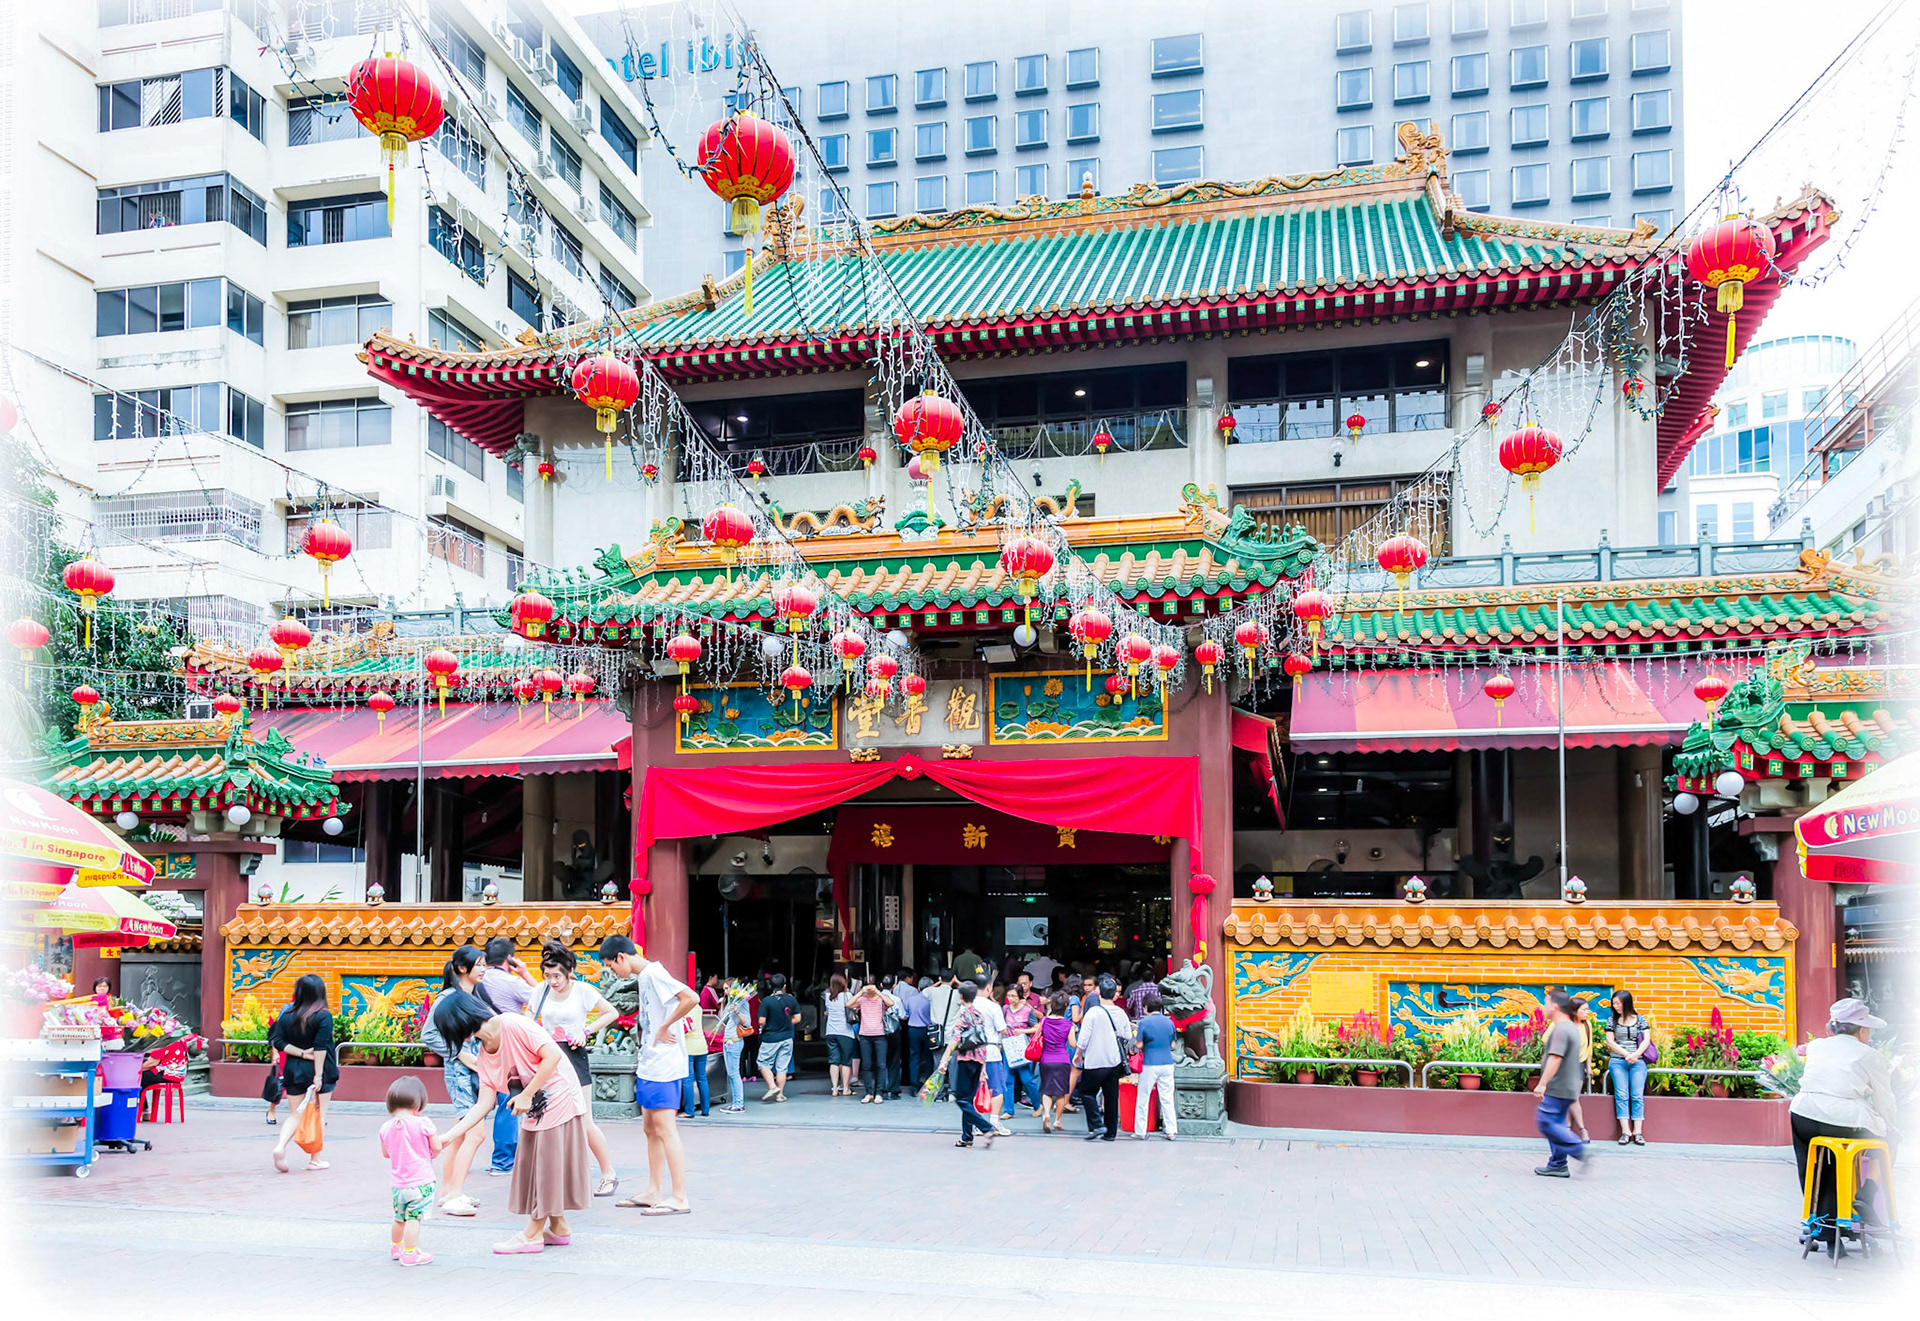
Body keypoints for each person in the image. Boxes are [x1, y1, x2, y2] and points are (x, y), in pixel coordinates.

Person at [431, 990, 590, 1253]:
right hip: (534, 1107)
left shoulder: (513, 1024)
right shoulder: (484, 1054)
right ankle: (559, 1227)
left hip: (559, 1096)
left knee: (545, 1169)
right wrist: (450, 1136)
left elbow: (553, 1056)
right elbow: (483, 1104)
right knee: (539, 1166)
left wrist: (527, 1094)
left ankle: (532, 1234)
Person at [597, 935, 698, 1216]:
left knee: (665, 1129)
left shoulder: (654, 973)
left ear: (621, 957)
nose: (613, 973)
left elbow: (691, 997)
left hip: (664, 1064)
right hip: (650, 1062)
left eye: (611, 966)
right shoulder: (644, 977)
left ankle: (679, 1196)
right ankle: (654, 1190)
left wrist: (666, 1025)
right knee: (650, 1128)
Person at [1791, 998, 1896, 1253]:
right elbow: (1884, 1099)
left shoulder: (1817, 1047)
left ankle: (1826, 1230)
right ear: (1861, 1030)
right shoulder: (1869, 1054)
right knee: (1890, 1141)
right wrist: (1891, 1125)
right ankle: (1866, 1196)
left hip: (1803, 1115)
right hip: (1844, 1121)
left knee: (1817, 1167)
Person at [531, 943, 620, 1196]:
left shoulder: (582, 990)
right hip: (547, 1056)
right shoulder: (540, 991)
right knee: (549, 1119)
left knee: (583, 1120)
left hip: (573, 1055)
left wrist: (586, 1031)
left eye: (556, 976)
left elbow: (610, 1012)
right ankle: (555, 1178)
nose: (552, 981)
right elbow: (528, 1019)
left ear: (569, 972)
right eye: (547, 976)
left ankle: (608, 1174)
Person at [476, 939, 535, 1177]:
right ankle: (503, 1161)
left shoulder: (476, 980)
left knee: (480, 1103)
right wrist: (525, 972)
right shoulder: (512, 982)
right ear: (509, 958)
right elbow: (542, 999)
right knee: (507, 1102)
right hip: (508, 1048)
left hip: (478, 1046)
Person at [269, 974, 338, 1173]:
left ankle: (280, 1146)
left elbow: (278, 1041)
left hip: (294, 1069)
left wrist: (300, 1053)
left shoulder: (288, 1015)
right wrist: (318, 1075)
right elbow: (321, 1046)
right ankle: (315, 1159)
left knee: (294, 1114)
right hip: (321, 1069)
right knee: (319, 1115)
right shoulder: (323, 1015)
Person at [379, 1076, 438, 1266]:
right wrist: (432, 1152)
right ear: (419, 1103)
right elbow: (436, 1147)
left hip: (398, 1185)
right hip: (421, 1182)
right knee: (414, 1218)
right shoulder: (423, 1123)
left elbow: (386, 1153)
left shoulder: (385, 1127)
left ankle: (396, 1247)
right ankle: (410, 1253)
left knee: (399, 1218)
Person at [1531, 993, 1590, 1177]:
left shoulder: (1562, 1029)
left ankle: (1581, 1151)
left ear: (1555, 1006)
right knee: (1556, 1124)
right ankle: (1558, 1164)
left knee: (1546, 1122)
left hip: (1559, 1087)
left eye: (1546, 1003)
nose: (1544, 1007)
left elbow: (1556, 1057)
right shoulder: (1569, 1027)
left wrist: (1542, 1084)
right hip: (1567, 1086)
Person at [934, 981, 999, 1148]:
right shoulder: (978, 1014)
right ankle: (966, 1137)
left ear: (961, 996)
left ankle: (986, 1127)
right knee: (968, 1099)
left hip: (965, 1061)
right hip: (978, 1061)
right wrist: (983, 1067)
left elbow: (955, 1039)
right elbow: (982, 1041)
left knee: (961, 1099)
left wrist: (944, 1060)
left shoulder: (963, 1015)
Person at [1072, 976, 1132, 1141]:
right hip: (1114, 1061)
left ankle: (1097, 1124)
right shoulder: (1120, 1013)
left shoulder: (1093, 1012)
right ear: (1114, 995)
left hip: (1095, 1060)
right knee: (1111, 1096)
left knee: (1086, 1092)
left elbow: (1083, 1038)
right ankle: (1110, 1133)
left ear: (1099, 994)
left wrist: (1078, 1053)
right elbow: (1127, 1035)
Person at [1604, 990, 1653, 1147]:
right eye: (1614, 1003)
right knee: (1622, 1095)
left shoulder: (1641, 1019)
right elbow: (1610, 1041)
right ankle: (1626, 1131)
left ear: (1627, 1003)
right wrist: (1626, 1054)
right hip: (1618, 1060)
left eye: (1619, 1003)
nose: (1616, 1006)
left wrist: (1636, 1054)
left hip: (1638, 1061)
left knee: (1637, 1095)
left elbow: (1646, 1040)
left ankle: (1638, 1132)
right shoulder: (1611, 1020)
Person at [1131, 988, 1178, 1140]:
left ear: (1146, 1007)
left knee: (1144, 1097)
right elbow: (1173, 1046)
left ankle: (1141, 1131)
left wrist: (1135, 1047)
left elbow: (1138, 1045)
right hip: (1167, 1063)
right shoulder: (1169, 1022)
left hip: (1150, 1063)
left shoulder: (1144, 1023)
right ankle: (1170, 1130)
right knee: (1167, 1097)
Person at [756, 972, 800, 1102]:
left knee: (763, 1062)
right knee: (782, 1067)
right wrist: (786, 1022)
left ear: (770, 986)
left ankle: (772, 1087)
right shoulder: (791, 999)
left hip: (770, 1037)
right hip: (787, 1037)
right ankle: (780, 1095)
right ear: (784, 986)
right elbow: (797, 1018)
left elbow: (761, 1021)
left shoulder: (767, 1001)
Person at [854, 975, 898, 1103]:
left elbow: (891, 1003)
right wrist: (861, 992)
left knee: (881, 1065)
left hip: (880, 1035)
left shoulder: (881, 999)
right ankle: (869, 1093)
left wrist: (878, 992)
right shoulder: (862, 999)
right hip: (864, 1035)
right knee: (866, 1065)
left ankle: (879, 1092)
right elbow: (848, 1004)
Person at [1002, 983, 1043, 1116]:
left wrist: (1023, 1031)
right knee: (1008, 1079)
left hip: (1021, 1047)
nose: (1011, 998)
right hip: (1008, 1046)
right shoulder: (1005, 1009)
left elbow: (1037, 1027)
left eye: (1013, 996)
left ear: (1020, 997)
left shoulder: (1027, 1011)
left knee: (1027, 1079)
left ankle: (1037, 1105)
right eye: (1009, 995)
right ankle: (1009, 1110)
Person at [718, 979, 754, 1113]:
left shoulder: (742, 1002)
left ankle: (739, 1104)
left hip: (735, 1040)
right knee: (731, 1073)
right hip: (728, 1040)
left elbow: (748, 1022)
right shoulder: (731, 1002)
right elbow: (722, 1019)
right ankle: (735, 1103)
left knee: (734, 1073)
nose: (725, 992)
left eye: (727, 988)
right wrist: (723, 1005)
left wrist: (737, 1011)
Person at [680, 982, 711, 1120]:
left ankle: (689, 1111)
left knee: (687, 1080)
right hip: (702, 1046)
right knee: (702, 1079)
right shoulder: (698, 1008)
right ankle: (705, 1109)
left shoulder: (684, 1009)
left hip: (689, 1047)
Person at [822, 973, 857, 1097]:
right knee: (846, 1061)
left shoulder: (827, 996)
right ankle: (846, 1088)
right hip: (845, 1032)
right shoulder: (847, 995)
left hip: (831, 1031)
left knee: (834, 1061)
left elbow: (827, 1012)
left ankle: (835, 1089)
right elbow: (854, 1008)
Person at [896, 970, 931, 1092]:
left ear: (919, 987)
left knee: (914, 1057)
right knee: (928, 1058)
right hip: (927, 1030)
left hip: (912, 1030)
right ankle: (929, 1086)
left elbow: (905, 1015)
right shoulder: (931, 1000)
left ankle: (914, 1086)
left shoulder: (911, 999)